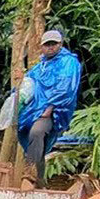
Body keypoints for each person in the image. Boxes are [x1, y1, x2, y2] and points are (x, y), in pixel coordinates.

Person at [17, 30, 82, 187]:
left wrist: (51, 108)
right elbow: (28, 85)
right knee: (36, 142)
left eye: (54, 44)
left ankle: (30, 172)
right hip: (34, 112)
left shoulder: (68, 63)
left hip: (54, 113)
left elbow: (66, 89)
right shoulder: (40, 67)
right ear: (42, 47)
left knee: (37, 132)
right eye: (47, 44)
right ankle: (40, 183)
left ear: (60, 44)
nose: (51, 47)